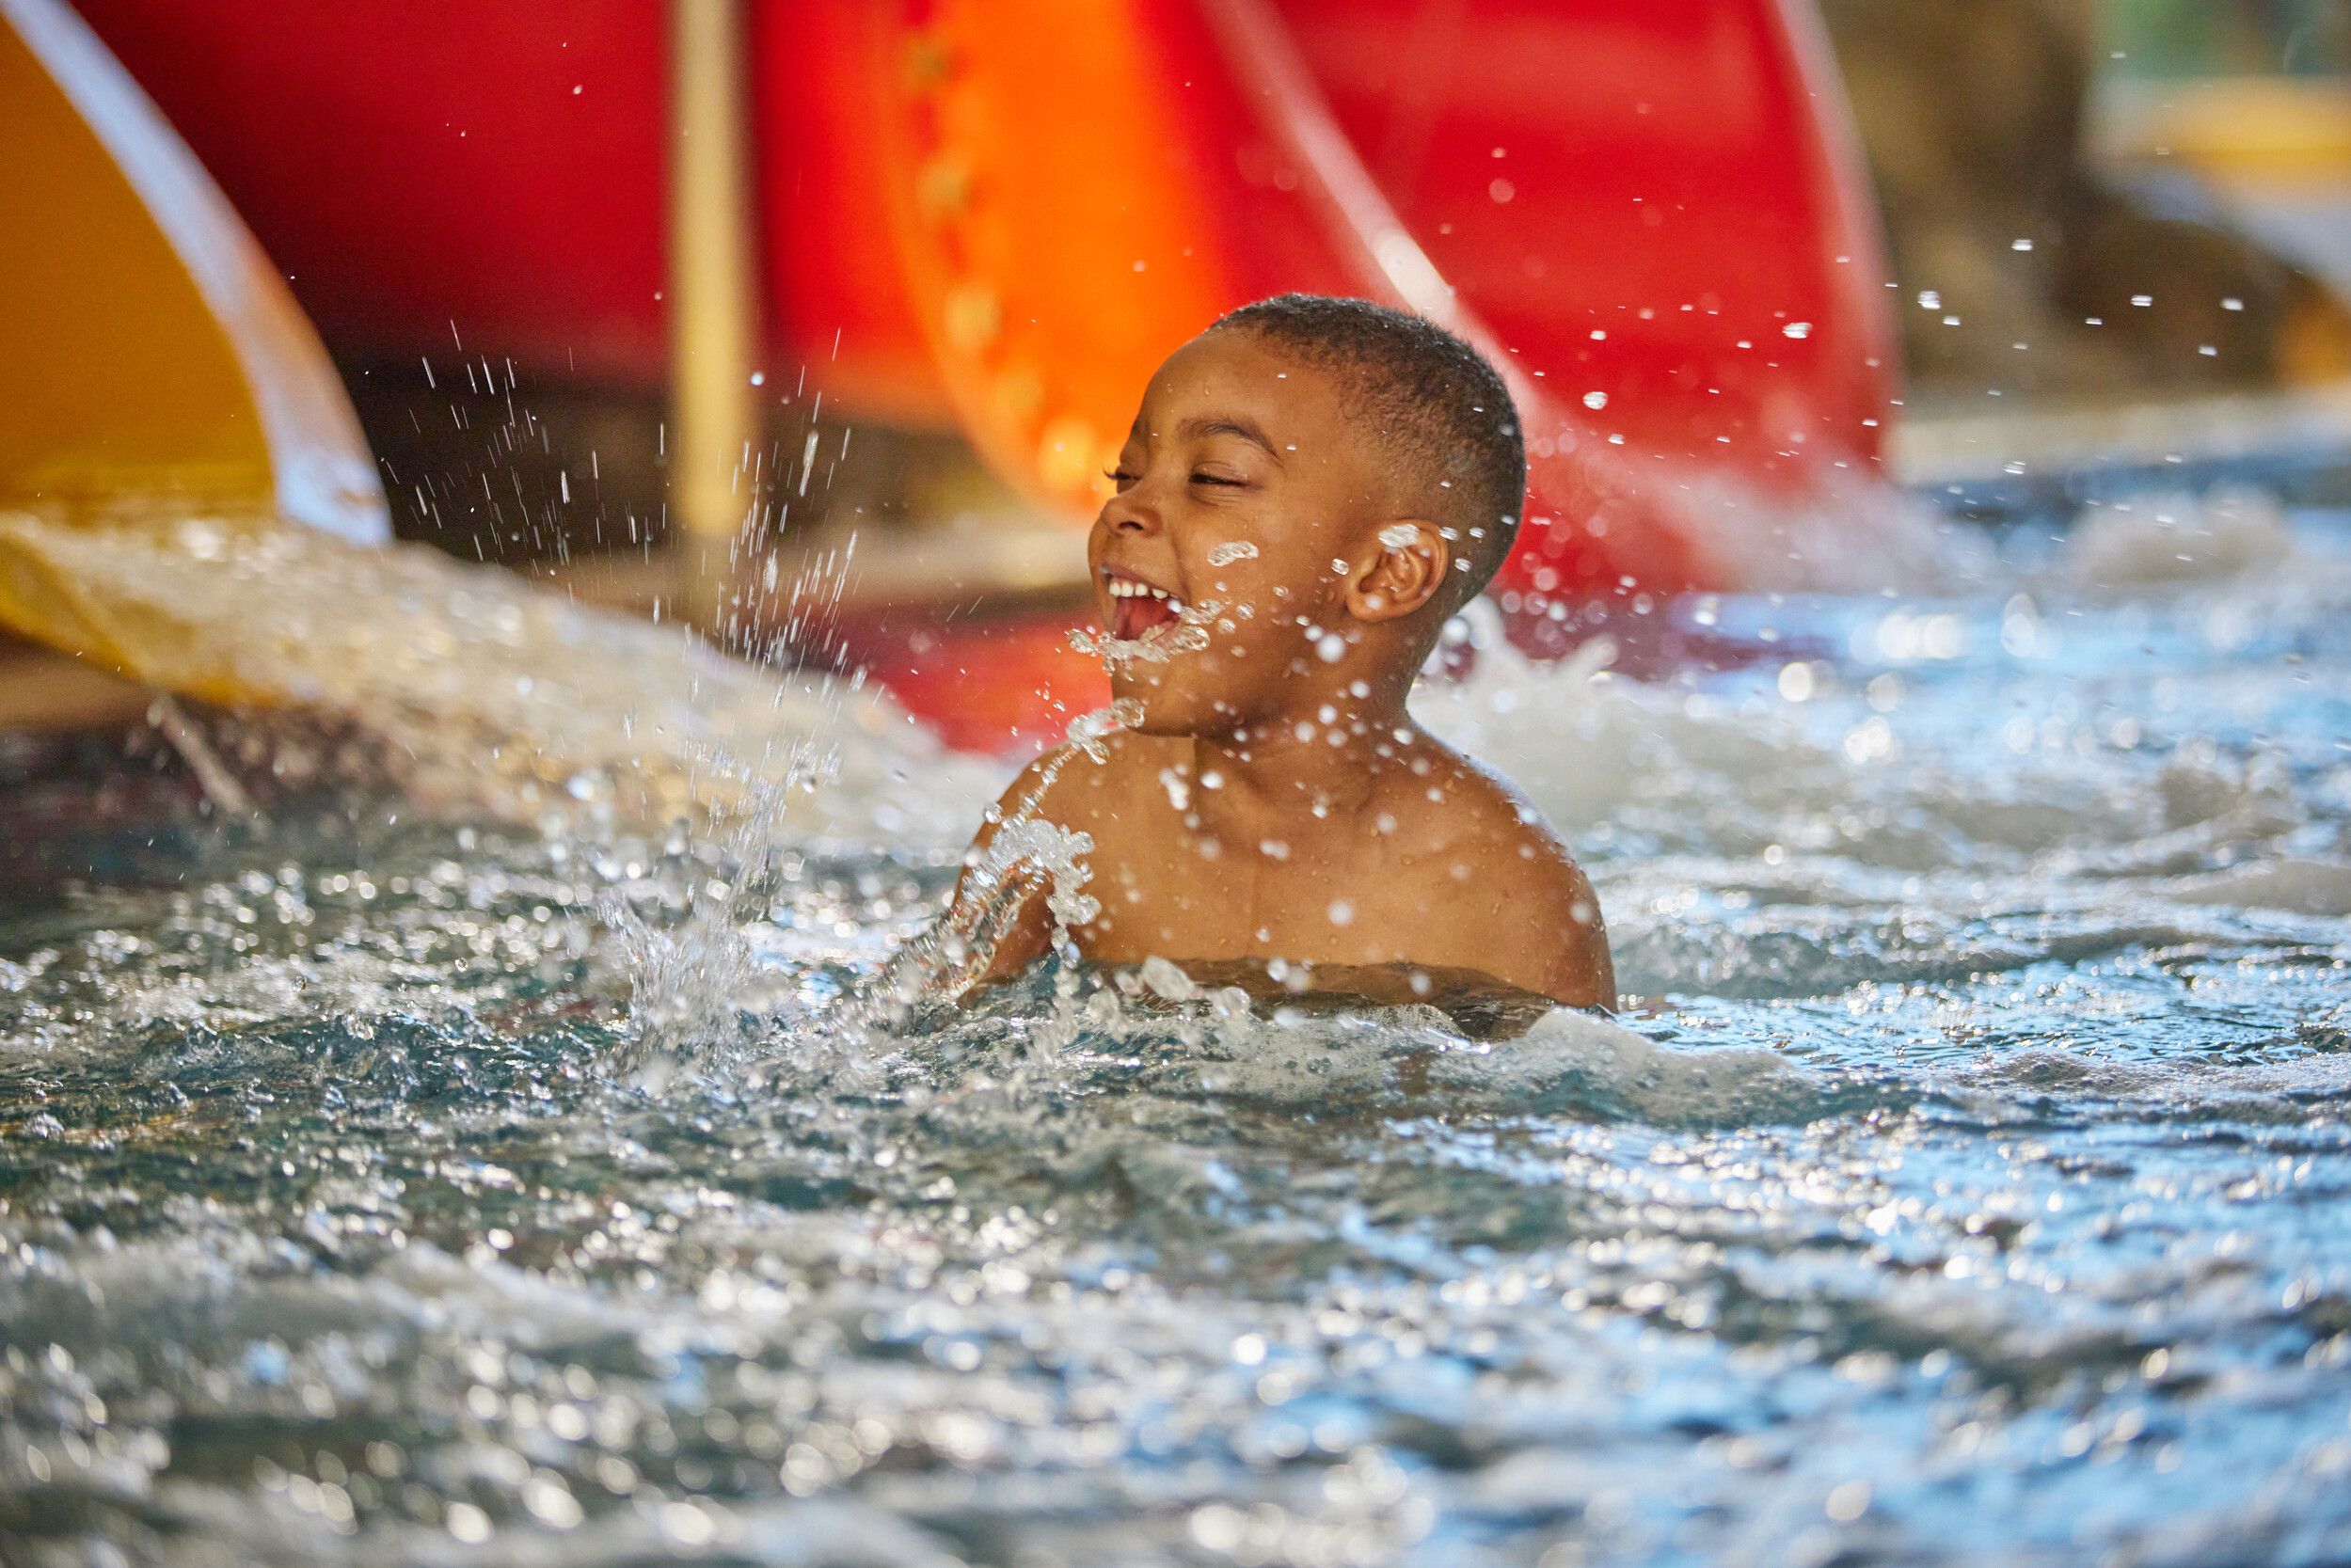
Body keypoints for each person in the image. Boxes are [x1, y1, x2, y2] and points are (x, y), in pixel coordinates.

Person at [947, 293, 1613, 1011]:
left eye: (1214, 479)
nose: (1122, 509)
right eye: (1127, 473)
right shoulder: (1073, 813)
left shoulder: (1497, 898)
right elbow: (934, 1045)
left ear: (1387, 572)